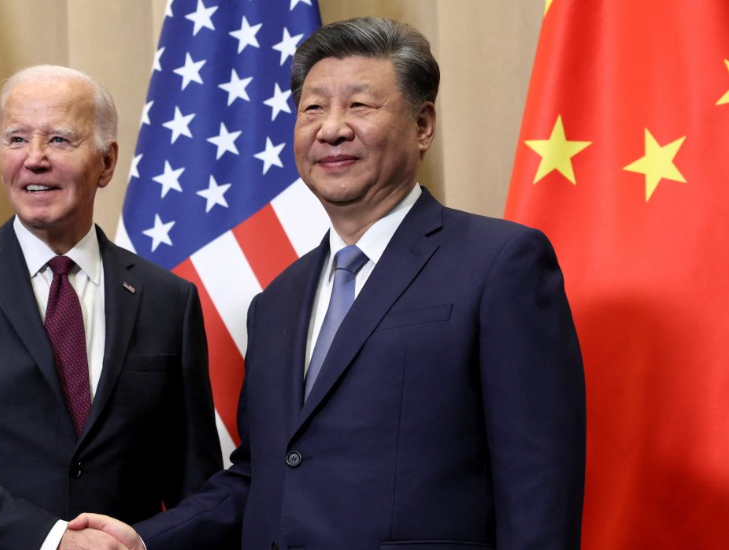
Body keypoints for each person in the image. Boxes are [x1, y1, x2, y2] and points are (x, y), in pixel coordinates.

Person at [69, 17, 586, 550]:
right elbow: (262, 475)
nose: (331, 128)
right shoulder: (276, 302)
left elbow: (538, 483)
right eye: (313, 108)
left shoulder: (501, 263)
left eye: (360, 106)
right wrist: (143, 540)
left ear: (423, 124)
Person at [0, 65, 222, 550]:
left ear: (106, 162)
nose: (34, 159)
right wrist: (53, 539)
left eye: (59, 139)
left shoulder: (168, 299)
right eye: (16, 139)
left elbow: (197, 488)